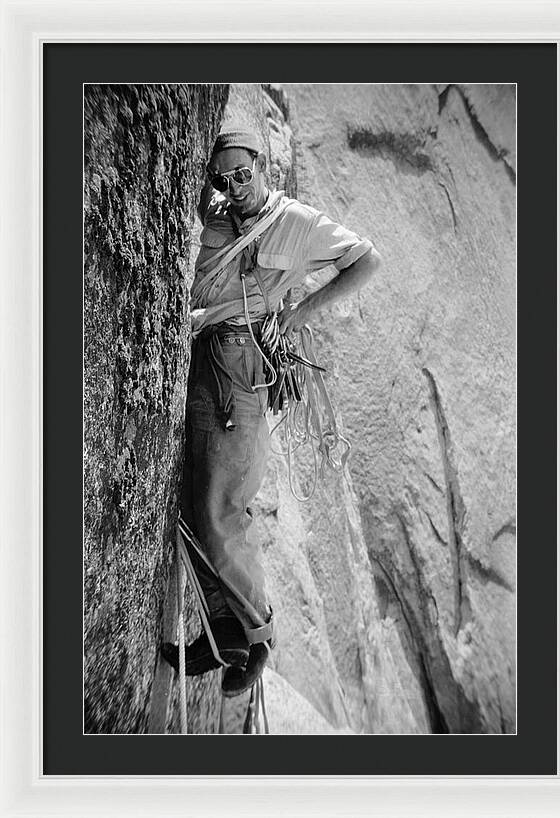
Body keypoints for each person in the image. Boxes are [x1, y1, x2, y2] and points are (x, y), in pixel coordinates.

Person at [162, 129, 382, 697]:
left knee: (223, 506)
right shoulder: (217, 213)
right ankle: (223, 634)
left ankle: (257, 638)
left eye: (243, 174)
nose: (234, 187)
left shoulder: (297, 223)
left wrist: (300, 312)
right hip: (206, 355)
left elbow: (366, 260)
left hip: (240, 365)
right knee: (193, 495)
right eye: (223, 178)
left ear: (263, 169)